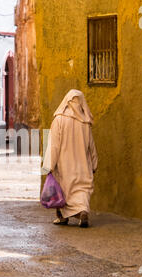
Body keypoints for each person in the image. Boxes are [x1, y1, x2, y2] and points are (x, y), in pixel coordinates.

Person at [42, 89, 98, 228]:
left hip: (64, 164)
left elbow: (53, 145)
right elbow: (91, 146)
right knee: (82, 189)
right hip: (83, 164)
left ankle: (62, 217)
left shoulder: (59, 120)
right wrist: (94, 164)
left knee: (63, 190)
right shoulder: (85, 122)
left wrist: (49, 165)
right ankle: (83, 211)